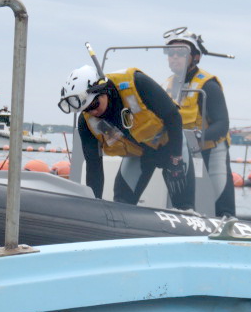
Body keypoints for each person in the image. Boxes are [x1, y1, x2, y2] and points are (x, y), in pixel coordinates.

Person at [58, 64, 195, 209]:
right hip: (140, 153)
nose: (92, 112)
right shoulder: (86, 123)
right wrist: (94, 205)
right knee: (122, 200)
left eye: (94, 104)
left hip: (171, 145)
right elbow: (93, 167)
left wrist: (176, 159)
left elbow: (173, 116)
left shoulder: (137, 83)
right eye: (86, 110)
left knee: (184, 204)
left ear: (103, 91)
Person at [164, 27, 236, 217]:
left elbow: (222, 123)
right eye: (170, 53)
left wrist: (197, 137)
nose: (174, 57)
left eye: (181, 53)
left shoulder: (208, 85)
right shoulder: (167, 85)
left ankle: (226, 218)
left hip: (211, 148)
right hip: (182, 149)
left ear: (195, 57)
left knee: (218, 192)